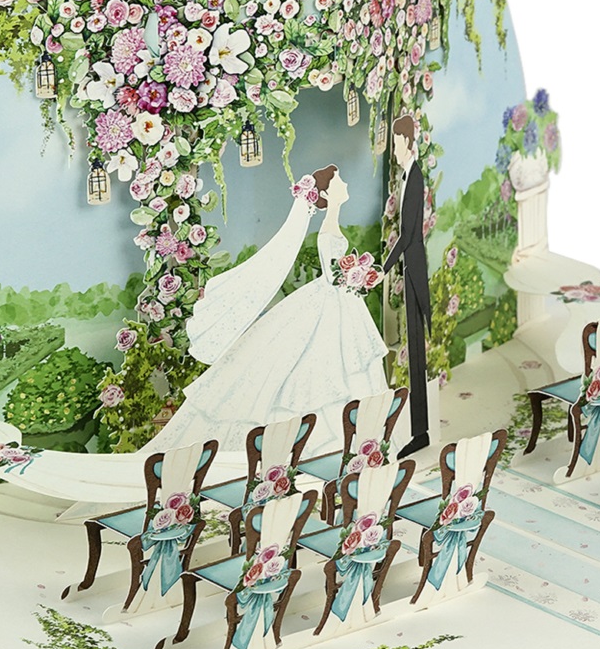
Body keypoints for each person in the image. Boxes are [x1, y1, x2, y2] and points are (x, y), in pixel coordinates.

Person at [147, 165, 388, 453]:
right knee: (322, 365)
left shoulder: (331, 225)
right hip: (332, 302)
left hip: (339, 303)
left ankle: (351, 437)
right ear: (325, 194)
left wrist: (360, 276)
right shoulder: (328, 229)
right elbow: (333, 273)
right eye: (339, 181)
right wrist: (355, 277)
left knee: (340, 363)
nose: (345, 184)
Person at [381, 114, 431, 457]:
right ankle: (418, 429)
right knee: (413, 355)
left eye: (397, 144)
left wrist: (384, 268)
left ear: (408, 143)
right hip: (410, 267)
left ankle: (420, 432)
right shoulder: (406, 175)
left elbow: (409, 235)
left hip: (413, 269)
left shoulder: (414, 178)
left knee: (416, 355)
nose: (394, 151)